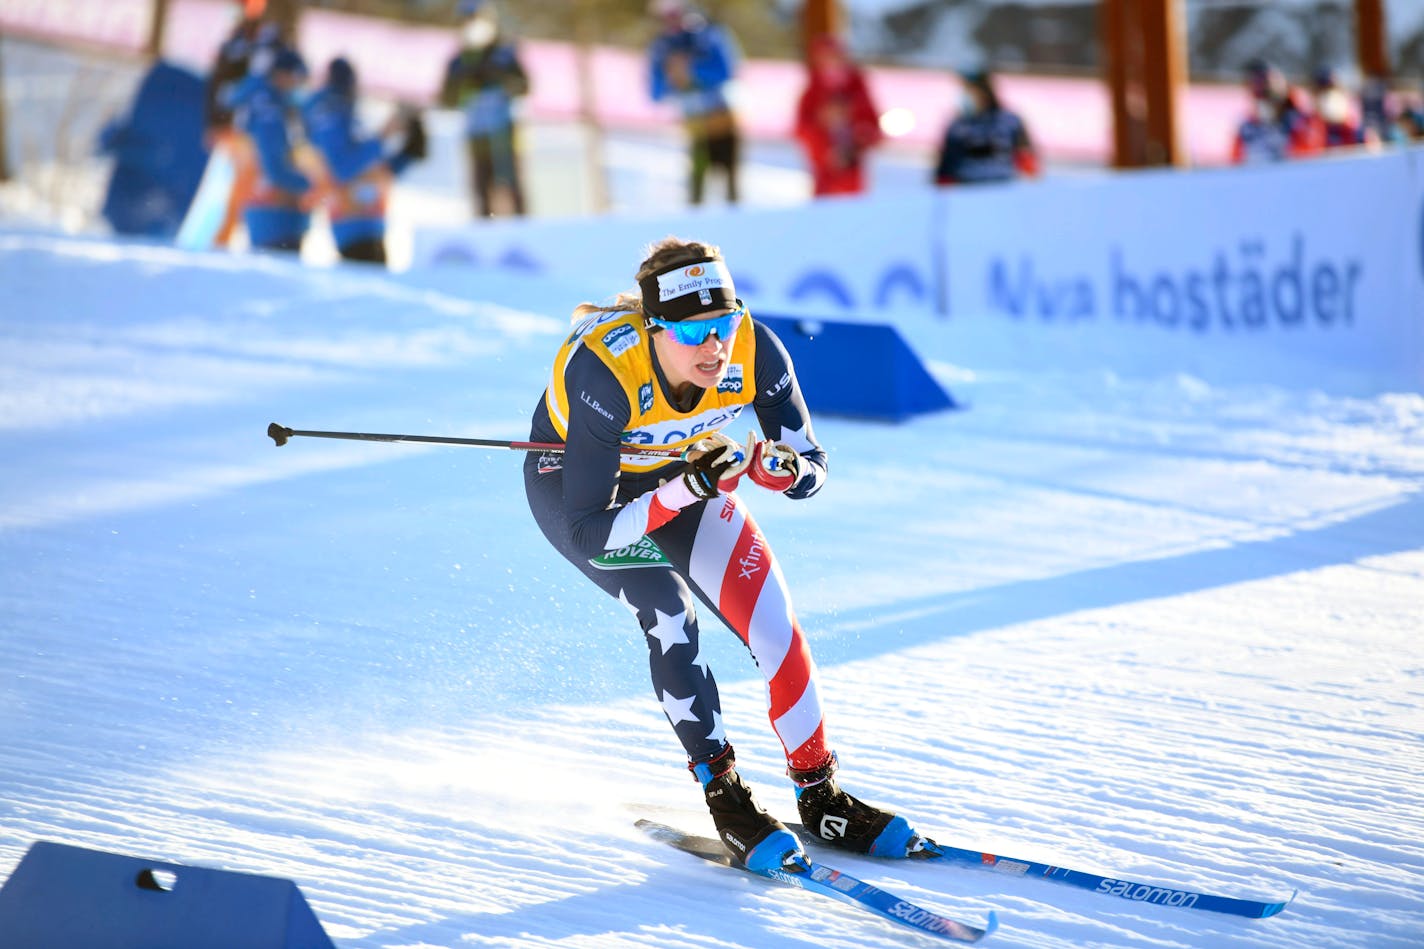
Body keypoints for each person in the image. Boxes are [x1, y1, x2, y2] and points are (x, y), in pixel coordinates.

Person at [522, 237, 937, 871]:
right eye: (695, 335)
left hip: (685, 474)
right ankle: (727, 796)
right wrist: (686, 486)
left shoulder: (754, 347)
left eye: (724, 323)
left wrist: (782, 471)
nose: (715, 346)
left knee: (776, 629)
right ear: (654, 329)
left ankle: (819, 792)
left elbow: (814, 468)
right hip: (582, 490)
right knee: (667, 608)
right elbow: (590, 531)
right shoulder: (606, 373)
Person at [303, 57, 426, 265]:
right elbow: (342, 168)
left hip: (370, 221)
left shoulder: (347, 115)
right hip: (352, 224)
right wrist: (384, 135)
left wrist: (407, 153)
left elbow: (372, 169)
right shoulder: (330, 114)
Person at [440, 0, 529, 218]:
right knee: (482, 195)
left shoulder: (504, 54)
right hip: (477, 138)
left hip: (504, 134)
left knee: (512, 190)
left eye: (476, 19)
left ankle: (523, 232)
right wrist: (465, 79)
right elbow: (447, 99)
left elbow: (523, 86)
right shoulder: (459, 61)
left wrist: (499, 75)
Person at [648, 1, 741, 205]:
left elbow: (726, 71)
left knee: (731, 187)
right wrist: (672, 76)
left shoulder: (708, 35)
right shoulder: (663, 47)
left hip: (722, 120)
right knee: (696, 190)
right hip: (695, 127)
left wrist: (692, 69)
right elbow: (655, 92)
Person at [230, 46, 315, 253]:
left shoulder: (267, 105)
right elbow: (273, 167)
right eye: (297, 79)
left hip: (268, 212)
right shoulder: (270, 113)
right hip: (275, 215)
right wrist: (308, 184)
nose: (298, 86)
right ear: (281, 75)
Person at [794, 34, 883, 198]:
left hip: (852, 166)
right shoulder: (813, 91)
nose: (831, 62)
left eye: (834, 56)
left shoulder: (857, 89)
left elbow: (874, 127)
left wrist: (857, 136)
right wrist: (824, 141)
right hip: (825, 170)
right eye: (825, 57)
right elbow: (801, 128)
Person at [933, 69, 1038, 186]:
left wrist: (1028, 182)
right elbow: (945, 169)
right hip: (966, 191)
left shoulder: (1010, 122)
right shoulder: (957, 126)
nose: (964, 95)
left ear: (983, 92)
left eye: (968, 90)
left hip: (1003, 189)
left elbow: (1027, 162)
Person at [1230, 59, 1319, 164]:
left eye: (1268, 87)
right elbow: (1237, 162)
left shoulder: (1302, 122)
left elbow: (1311, 160)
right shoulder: (1247, 128)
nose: (1265, 99)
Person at [1307, 66, 1361, 150]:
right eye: (1324, 90)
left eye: (1331, 89)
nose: (1328, 96)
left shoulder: (1355, 129)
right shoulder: (1309, 124)